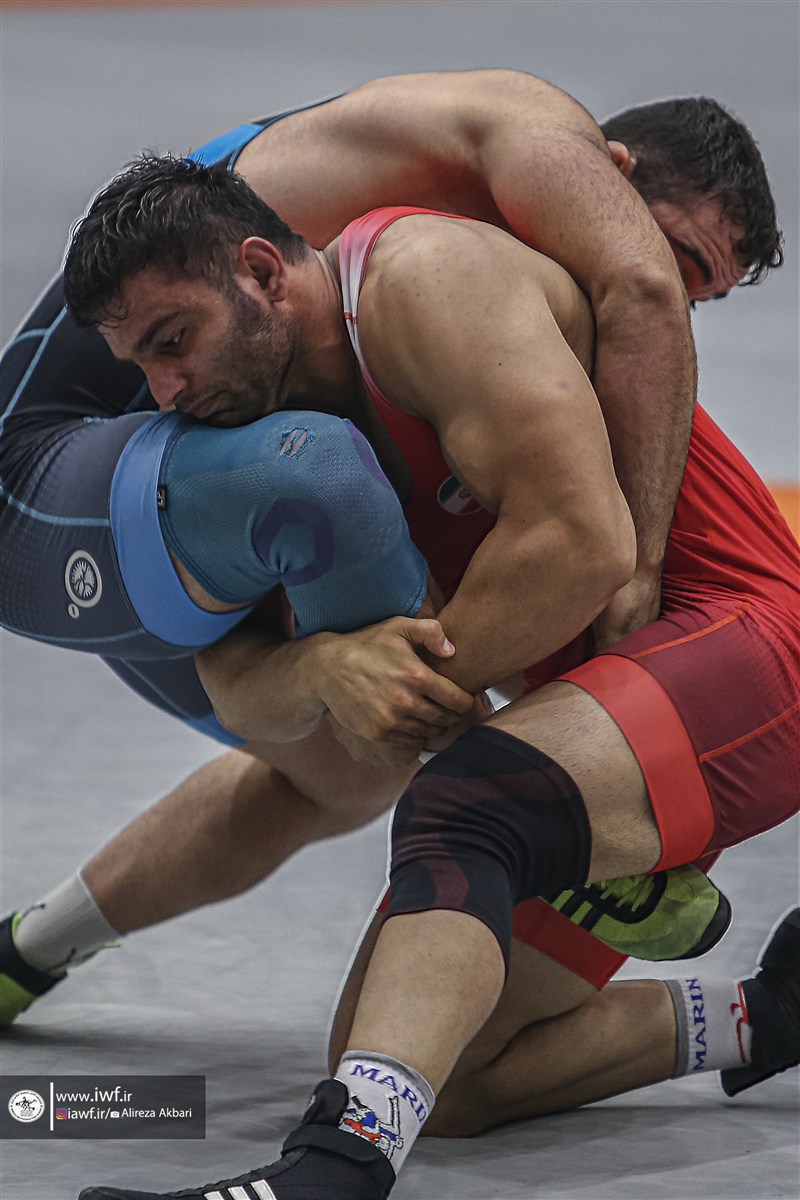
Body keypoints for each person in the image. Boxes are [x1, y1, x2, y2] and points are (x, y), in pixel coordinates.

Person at [57, 158, 799, 1200]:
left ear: (262, 272)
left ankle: (332, 1176)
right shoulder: (245, 440)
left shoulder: (421, 283)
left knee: (465, 805)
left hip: (743, 641)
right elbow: (240, 692)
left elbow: (587, 547)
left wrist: (392, 691)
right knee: (438, 1070)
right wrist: (326, 665)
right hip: (600, 719)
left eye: (175, 340)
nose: (166, 391)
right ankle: (769, 1016)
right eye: (142, 365)